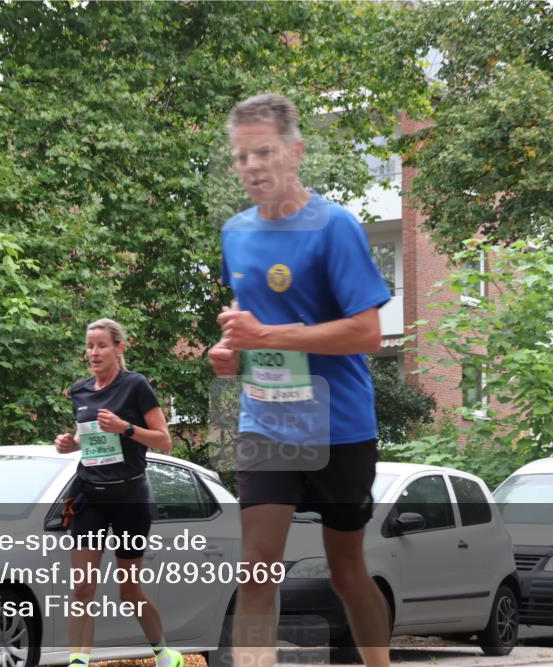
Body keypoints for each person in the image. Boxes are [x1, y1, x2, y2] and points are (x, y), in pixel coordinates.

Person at [208, 93, 392, 667]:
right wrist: (230, 348)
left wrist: (270, 337)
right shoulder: (235, 233)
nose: (252, 167)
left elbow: (367, 334)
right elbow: (248, 315)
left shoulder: (335, 227)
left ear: (295, 151)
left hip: (339, 424)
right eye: (241, 157)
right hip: (266, 420)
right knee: (257, 569)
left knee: (345, 570)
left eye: (263, 152)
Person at [54, 318, 181, 667]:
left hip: (129, 499)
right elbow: (89, 437)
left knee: (129, 591)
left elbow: (164, 441)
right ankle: (79, 661)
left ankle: (164, 653)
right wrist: (69, 444)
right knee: (82, 588)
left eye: (101, 346)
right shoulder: (80, 390)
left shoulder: (135, 386)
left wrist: (125, 427)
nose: (93, 352)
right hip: (89, 496)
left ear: (119, 348)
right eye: (89, 346)